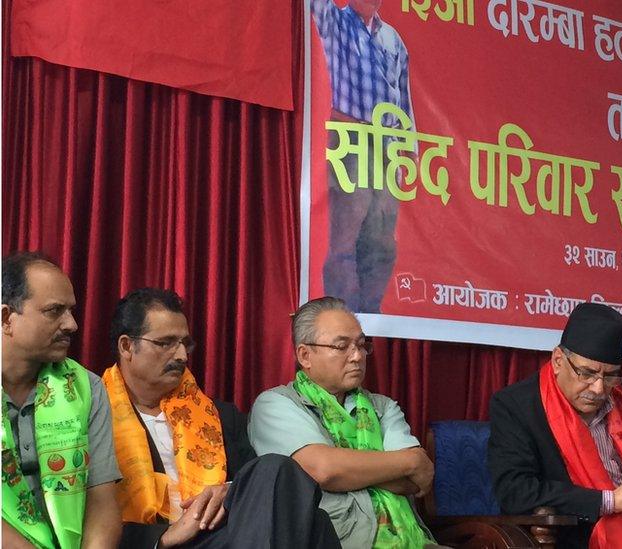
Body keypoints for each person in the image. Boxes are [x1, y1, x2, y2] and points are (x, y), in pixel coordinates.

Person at [104, 288, 338, 548]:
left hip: (224, 536)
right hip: (155, 543)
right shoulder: (94, 415)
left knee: (276, 469)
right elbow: (82, 513)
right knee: (314, 524)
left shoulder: (221, 416)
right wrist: (164, 536)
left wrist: (228, 491)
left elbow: (258, 493)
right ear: (126, 346)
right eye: (166, 343)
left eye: (185, 344)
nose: (182, 355)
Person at [248, 296, 436, 548]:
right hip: (337, 539)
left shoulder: (383, 406)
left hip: (412, 539)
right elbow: (324, 470)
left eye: (361, 345)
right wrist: (410, 460)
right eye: (342, 346)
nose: (357, 356)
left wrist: (349, 470)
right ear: (305, 355)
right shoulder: (276, 404)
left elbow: (412, 482)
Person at [488, 303, 622, 549]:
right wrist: (609, 500)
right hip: (572, 536)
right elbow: (516, 491)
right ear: (558, 360)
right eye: (587, 374)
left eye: (610, 375)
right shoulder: (517, 406)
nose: (599, 389)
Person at [2, 252, 122, 548]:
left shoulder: (86, 388)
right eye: (54, 311)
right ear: (6, 318)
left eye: (71, 311)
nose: (71, 325)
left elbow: (102, 502)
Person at [315, 0, 414, 313]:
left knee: (383, 242)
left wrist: (409, 150)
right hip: (350, 142)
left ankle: (370, 314)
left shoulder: (394, 40)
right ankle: (341, 314)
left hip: (386, 150)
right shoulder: (336, 22)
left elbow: (405, 104)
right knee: (345, 237)